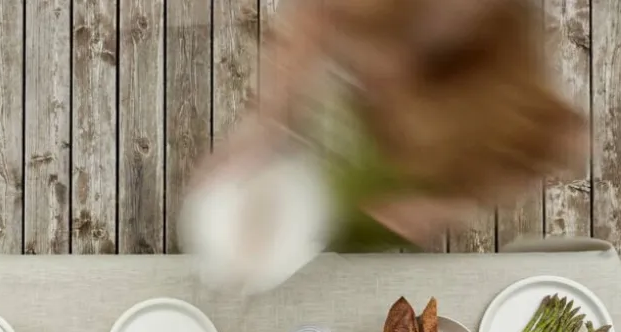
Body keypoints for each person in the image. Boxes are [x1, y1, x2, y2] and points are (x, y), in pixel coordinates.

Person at [205, 0, 585, 248]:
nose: (363, 79)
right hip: (327, 178)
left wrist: (440, 207)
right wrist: (265, 120)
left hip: (395, 196)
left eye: (382, 69)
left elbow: (560, 144)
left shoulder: (497, 99)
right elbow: (314, 18)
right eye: (353, 55)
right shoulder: (365, 13)